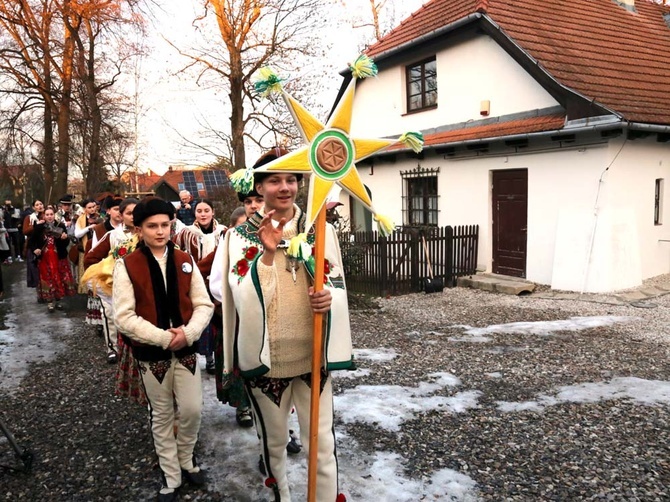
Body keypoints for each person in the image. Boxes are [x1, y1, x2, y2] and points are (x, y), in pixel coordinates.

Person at [210, 148, 353, 501]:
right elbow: (241, 296)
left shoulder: (321, 230)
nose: (285, 187)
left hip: (312, 358)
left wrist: (327, 299)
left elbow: (337, 285)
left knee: (322, 444)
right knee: (274, 445)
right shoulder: (239, 238)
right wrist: (269, 253)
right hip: (268, 361)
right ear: (259, 186)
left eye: (291, 179)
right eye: (275, 179)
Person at [113, 197, 214, 502]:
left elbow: (203, 303)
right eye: (152, 226)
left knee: (193, 410)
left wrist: (190, 332)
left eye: (165, 225)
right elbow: (124, 316)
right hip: (152, 354)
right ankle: (171, 472)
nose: (160, 232)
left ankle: (186, 459)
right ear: (139, 229)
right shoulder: (127, 264)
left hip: (185, 349)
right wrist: (163, 338)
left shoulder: (185, 259)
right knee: (162, 414)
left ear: (172, 224)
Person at [173, 199, 226, 374]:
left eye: (206, 210)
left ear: (213, 212)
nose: (203, 214)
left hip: (218, 283)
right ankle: (207, 357)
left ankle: (221, 357)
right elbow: (173, 250)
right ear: (194, 213)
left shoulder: (224, 232)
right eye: (199, 211)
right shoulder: (186, 233)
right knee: (201, 319)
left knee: (218, 322)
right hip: (196, 283)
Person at [83, 198, 137, 364]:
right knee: (111, 314)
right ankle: (113, 348)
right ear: (121, 215)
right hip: (113, 284)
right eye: (129, 213)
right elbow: (90, 258)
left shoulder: (145, 233)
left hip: (138, 284)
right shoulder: (113, 236)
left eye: (136, 212)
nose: (133, 216)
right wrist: (106, 271)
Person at [28, 206, 77, 312]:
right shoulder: (39, 227)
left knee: (59, 277)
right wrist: (35, 249)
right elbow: (31, 242)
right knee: (47, 278)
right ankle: (50, 302)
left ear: (54, 215)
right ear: (43, 216)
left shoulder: (60, 226)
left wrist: (64, 239)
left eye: (51, 214)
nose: (49, 217)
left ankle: (58, 300)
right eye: (47, 214)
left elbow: (65, 244)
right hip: (45, 257)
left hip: (58, 256)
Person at [74, 199, 102, 293]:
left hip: (99, 248)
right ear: (85, 209)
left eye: (93, 207)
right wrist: (89, 228)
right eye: (89, 208)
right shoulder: (81, 219)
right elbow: (77, 234)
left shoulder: (100, 217)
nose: (92, 209)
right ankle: (86, 291)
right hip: (85, 248)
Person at [22, 200, 44, 289]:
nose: (39, 206)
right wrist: (35, 225)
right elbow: (25, 231)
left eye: (41, 204)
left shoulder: (46, 215)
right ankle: (39, 292)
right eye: (37, 205)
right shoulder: (29, 218)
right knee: (35, 270)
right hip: (33, 246)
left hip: (45, 245)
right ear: (33, 207)